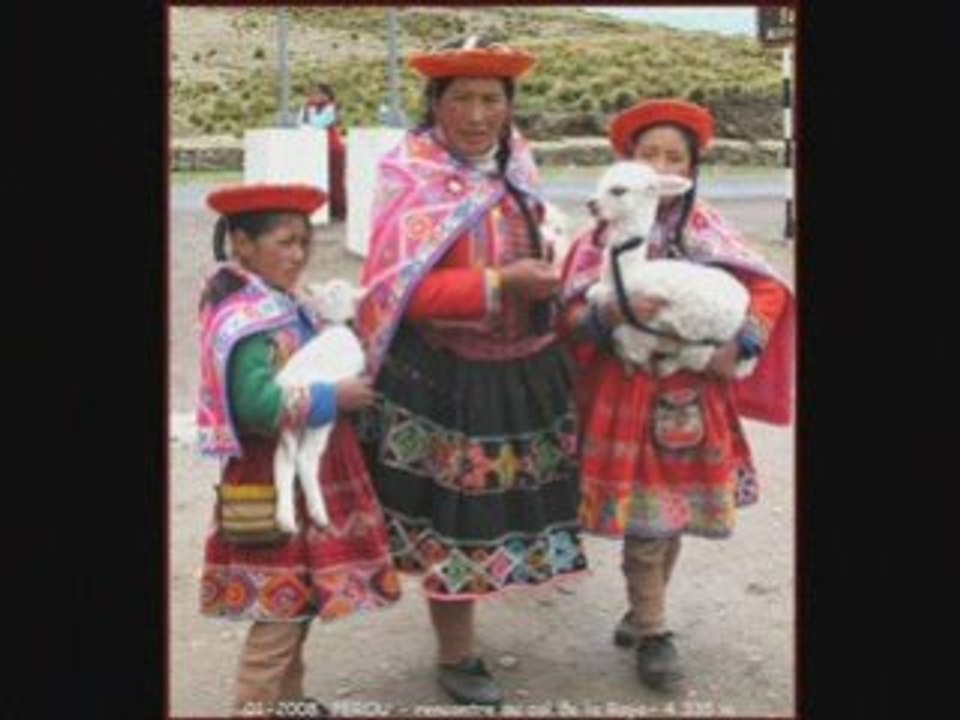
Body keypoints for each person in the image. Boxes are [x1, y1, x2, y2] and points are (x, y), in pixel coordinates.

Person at [354, 36, 588, 707]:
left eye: (492, 99)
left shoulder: (520, 164)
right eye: (462, 99)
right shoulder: (410, 174)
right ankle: (457, 653)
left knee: (505, 505)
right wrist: (500, 284)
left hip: (522, 366)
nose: (478, 114)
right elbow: (391, 290)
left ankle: (512, 593)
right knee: (452, 515)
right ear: (434, 105)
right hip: (444, 372)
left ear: (511, 107)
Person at [559, 99, 795, 690]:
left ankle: (645, 608)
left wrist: (739, 344)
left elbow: (765, 289)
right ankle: (655, 632)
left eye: (675, 157)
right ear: (629, 165)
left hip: (694, 396)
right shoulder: (600, 240)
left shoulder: (707, 229)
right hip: (628, 392)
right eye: (649, 154)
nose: (662, 165)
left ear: (688, 171)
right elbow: (567, 314)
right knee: (648, 522)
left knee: (674, 515)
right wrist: (609, 311)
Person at [195, 183, 400, 715]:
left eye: (304, 242)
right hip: (270, 481)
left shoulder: (284, 305)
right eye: (284, 242)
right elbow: (256, 405)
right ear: (242, 243)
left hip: (311, 476)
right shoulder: (246, 321)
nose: (298, 254)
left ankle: (290, 702)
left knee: (299, 600)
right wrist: (336, 396)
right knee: (279, 610)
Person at [300, 82, 347, 221]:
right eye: (313, 93)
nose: (315, 96)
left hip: (332, 148)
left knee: (335, 181)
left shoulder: (331, 108)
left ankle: (338, 211)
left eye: (319, 93)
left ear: (327, 95)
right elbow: (300, 123)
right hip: (314, 147)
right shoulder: (307, 108)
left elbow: (318, 124)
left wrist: (309, 112)